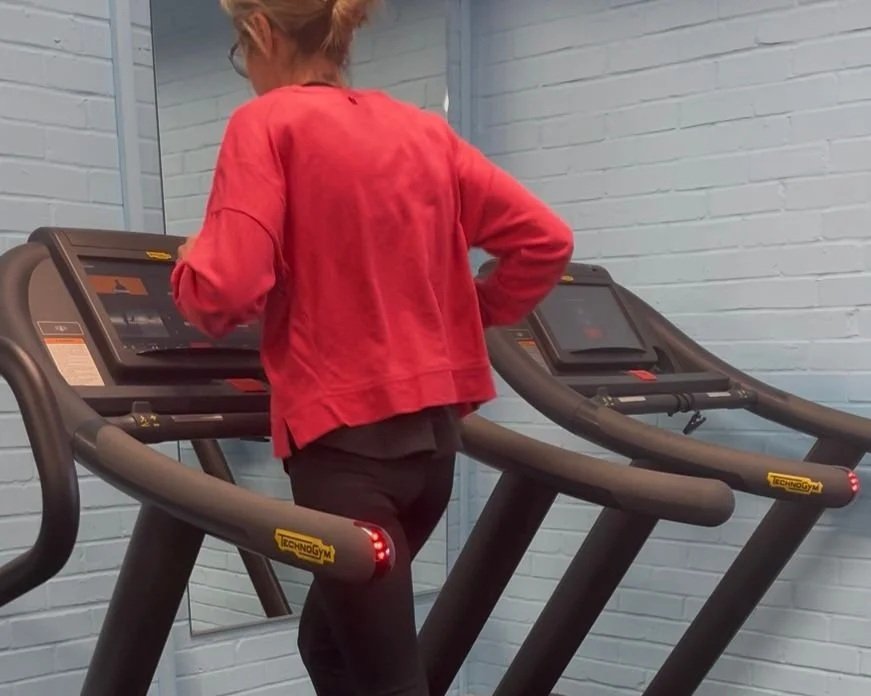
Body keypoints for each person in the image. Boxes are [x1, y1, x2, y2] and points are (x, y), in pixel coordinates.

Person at [170, 0, 574, 693]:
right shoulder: (423, 132)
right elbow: (545, 242)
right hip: (431, 458)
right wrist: (457, 319)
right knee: (326, 649)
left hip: (344, 460)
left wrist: (188, 264)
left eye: (242, 53)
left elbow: (224, 291)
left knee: (383, 680)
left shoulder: (266, 123)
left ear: (261, 31)